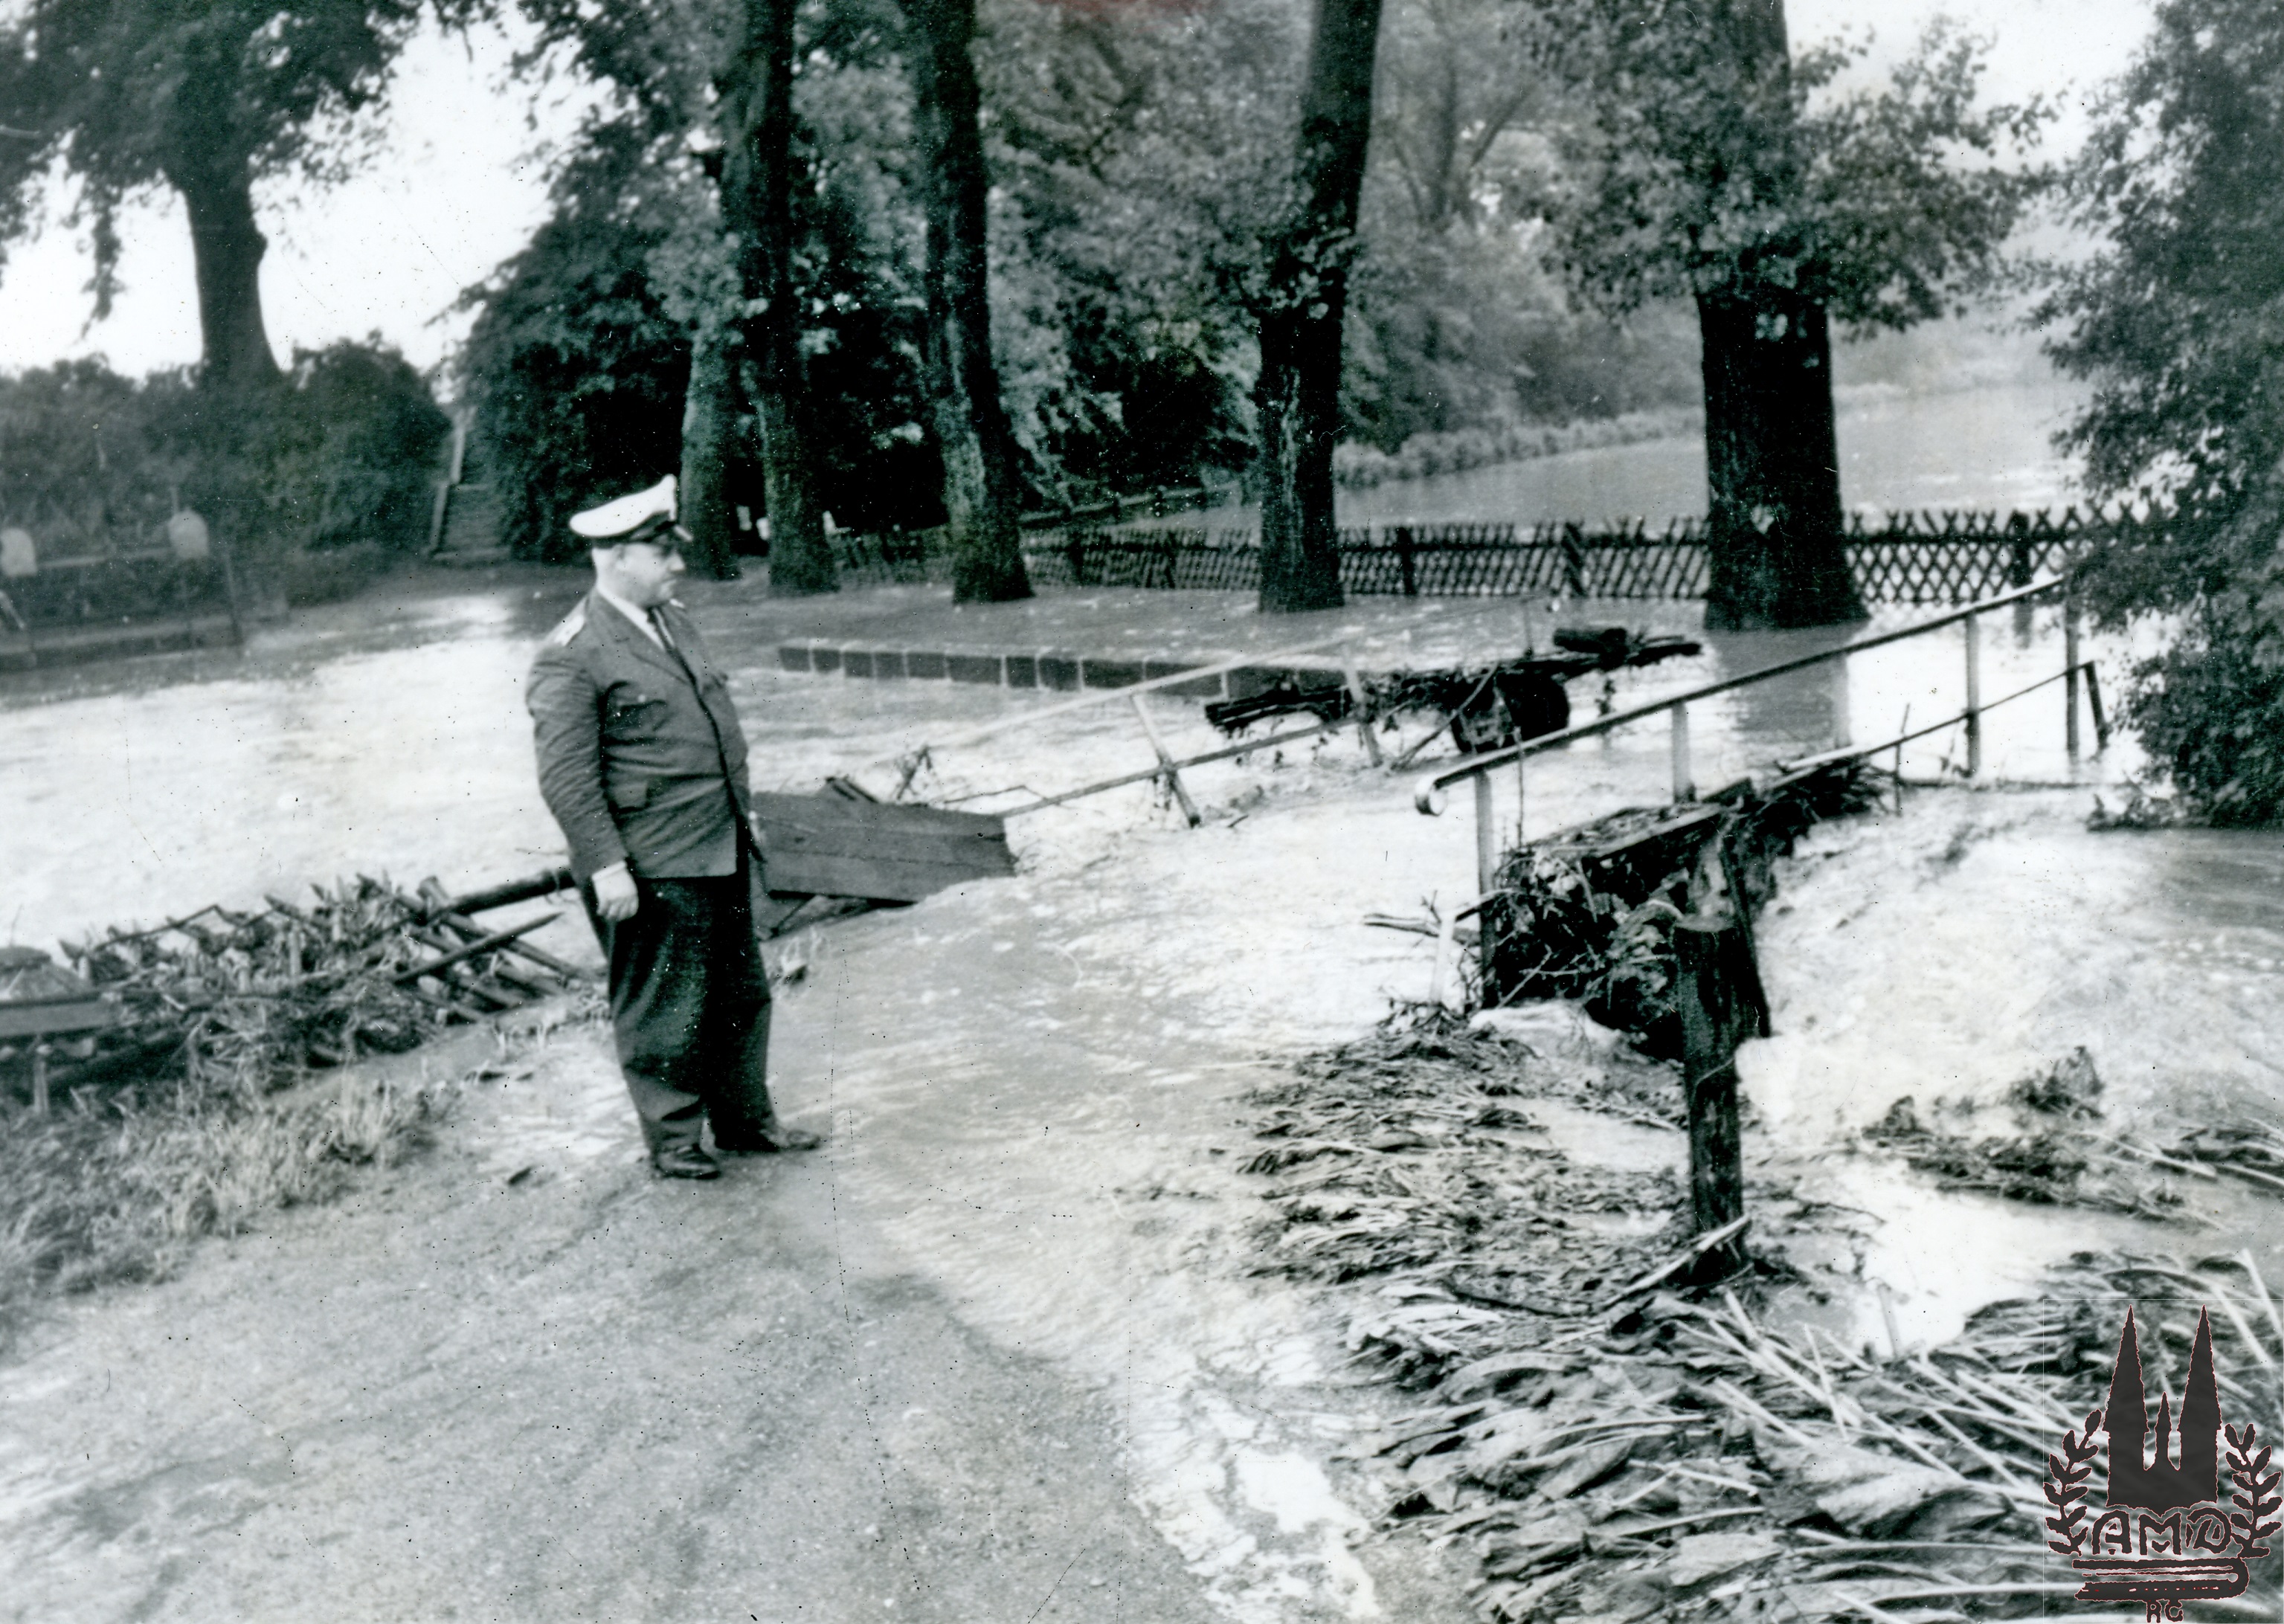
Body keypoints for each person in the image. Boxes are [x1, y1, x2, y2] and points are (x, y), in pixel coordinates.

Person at [527, 476, 822, 1179]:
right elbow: (566, 777)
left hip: (717, 842)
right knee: (664, 1001)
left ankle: (745, 1121)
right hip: (651, 860)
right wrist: (607, 867)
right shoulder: (570, 653)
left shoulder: (674, 621)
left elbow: (711, 728)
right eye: (662, 554)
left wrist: (744, 815)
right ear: (616, 558)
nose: (678, 565)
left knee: (739, 992)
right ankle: (673, 1139)